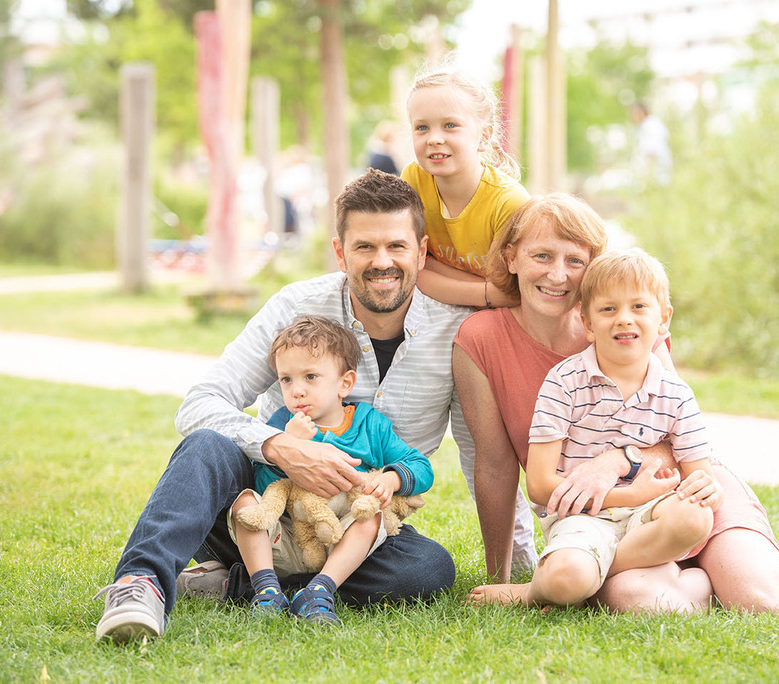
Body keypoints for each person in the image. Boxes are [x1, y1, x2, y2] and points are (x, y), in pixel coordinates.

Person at [455, 194, 779, 613]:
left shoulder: (630, 331)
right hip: (610, 524)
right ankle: (668, 582)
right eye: (542, 256)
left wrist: (618, 459)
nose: (557, 274)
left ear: (592, 268)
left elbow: (675, 439)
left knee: (763, 601)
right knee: (637, 601)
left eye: (574, 260)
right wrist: (499, 572)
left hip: (687, 490)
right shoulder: (481, 339)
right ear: (513, 256)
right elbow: (496, 465)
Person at [94, 169, 471, 643]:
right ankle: (140, 584)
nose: (382, 261)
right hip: (258, 511)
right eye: (364, 247)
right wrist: (277, 447)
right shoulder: (294, 306)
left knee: (427, 570)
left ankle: (243, 585)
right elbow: (199, 404)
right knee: (207, 444)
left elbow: (480, 453)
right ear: (340, 252)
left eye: (397, 246)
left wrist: (515, 565)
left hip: (352, 525)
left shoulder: (455, 330)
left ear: (421, 249)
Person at [511, 248, 719, 608]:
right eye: (609, 309)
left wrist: (704, 487)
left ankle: (592, 573)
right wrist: (630, 496)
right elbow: (540, 485)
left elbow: (699, 475)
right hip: (580, 517)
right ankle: (543, 587)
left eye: (639, 307)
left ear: (663, 319)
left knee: (695, 517)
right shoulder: (564, 382)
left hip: (649, 519)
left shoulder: (676, 394)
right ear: (588, 323)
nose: (624, 319)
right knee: (565, 579)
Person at [229, 315, 433, 625]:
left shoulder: (369, 424)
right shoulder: (282, 426)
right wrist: (287, 450)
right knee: (245, 502)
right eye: (287, 379)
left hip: (347, 543)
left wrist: (391, 479)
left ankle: (319, 591)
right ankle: (266, 589)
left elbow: (422, 468)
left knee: (373, 516)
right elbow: (264, 485)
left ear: (345, 383)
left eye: (310, 376)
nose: (296, 390)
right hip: (291, 540)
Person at [402, 61, 530, 308]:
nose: (435, 139)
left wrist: (426, 269)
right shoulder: (414, 179)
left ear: (483, 136)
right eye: (422, 127)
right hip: (432, 310)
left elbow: (513, 294)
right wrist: (486, 291)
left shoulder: (509, 202)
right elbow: (407, 262)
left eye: (450, 125)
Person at [629, 101, 672, 187]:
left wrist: (648, 166)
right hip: (652, 164)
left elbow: (653, 146)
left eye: (634, 114)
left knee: (658, 184)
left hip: (655, 163)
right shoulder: (645, 125)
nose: (632, 117)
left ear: (640, 112)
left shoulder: (652, 124)